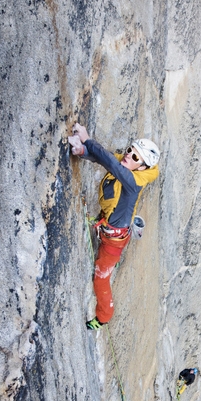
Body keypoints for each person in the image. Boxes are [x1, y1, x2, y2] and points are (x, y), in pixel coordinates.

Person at [68, 123, 160, 329]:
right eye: (130, 150)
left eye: (135, 157)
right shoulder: (129, 167)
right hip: (113, 229)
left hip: (113, 242)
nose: (128, 156)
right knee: (106, 261)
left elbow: (110, 162)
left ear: (143, 167)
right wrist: (83, 151)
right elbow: (108, 159)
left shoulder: (133, 181)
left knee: (101, 279)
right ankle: (112, 262)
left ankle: (103, 317)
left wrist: (86, 140)